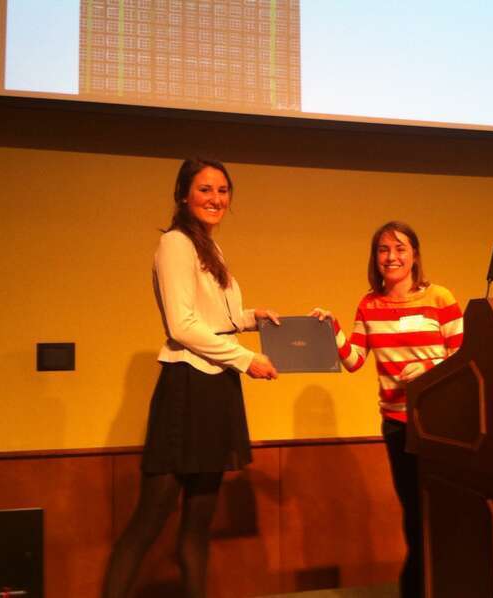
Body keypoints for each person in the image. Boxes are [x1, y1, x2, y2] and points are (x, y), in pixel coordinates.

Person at [103, 158, 279, 598]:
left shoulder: (209, 247)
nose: (216, 198)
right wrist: (245, 359)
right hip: (188, 387)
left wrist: (253, 318)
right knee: (149, 522)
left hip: (215, 386)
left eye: (222, 190)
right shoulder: (176, 244)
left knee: (198, 526)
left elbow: (213, 317)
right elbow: (182, 325)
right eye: (205, 189)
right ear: (184, 194)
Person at [310, 221, 463, 598]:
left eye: (400, 248)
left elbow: (462, 357)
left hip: (441, 426)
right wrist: (333, 328)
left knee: (445, 516)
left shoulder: (439, 298)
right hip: (398, 425)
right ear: (375, 258)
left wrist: (427, 371)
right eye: (383, 249)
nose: (391, 256)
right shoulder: (370, 304)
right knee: (414, 519)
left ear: (415, 256)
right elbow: (354, 359)